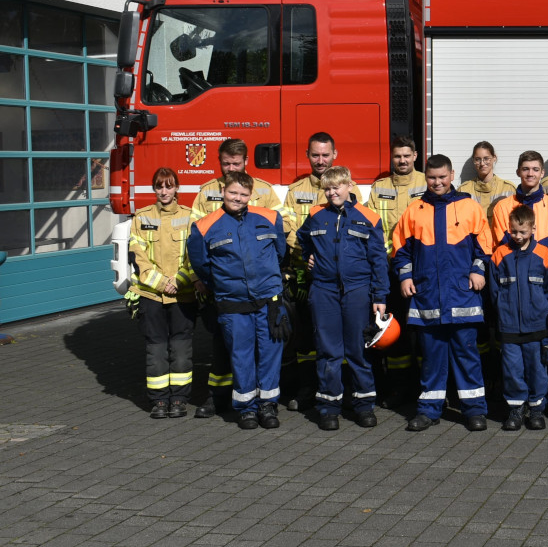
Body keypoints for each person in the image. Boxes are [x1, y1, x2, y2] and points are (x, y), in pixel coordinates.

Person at [392, 154, 494, 432]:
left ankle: (474, 411)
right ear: (426, 177)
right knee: (431, 361)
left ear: (451, 176)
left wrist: (478, 270)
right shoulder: (415, 209)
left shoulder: (469, 207)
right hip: (428, 298)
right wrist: (405, 276)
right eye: (432, 177)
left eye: (442, 177)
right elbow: (400, 249)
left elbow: (485, 245)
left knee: (467, 357)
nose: (437, 182)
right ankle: (428, 410)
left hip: (462, 297)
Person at [187, 171, 289, 430]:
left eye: (244, 194)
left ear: (250, 195)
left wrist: (268, 281)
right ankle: (246, 409)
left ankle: (268, 406)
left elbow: (280, 252)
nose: (238, 198)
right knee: (241, 356)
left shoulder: (270, 217)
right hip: (232, 303)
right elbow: (201, 265)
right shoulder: (204, 226)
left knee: (270, 354)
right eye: (233, 193)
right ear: (223, 191)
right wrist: (222, 285)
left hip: (269, 301)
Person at [297, 166, 388, 431]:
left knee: (358, 350)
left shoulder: (368, 217)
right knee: (328, 351)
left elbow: (378, 260)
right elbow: (303, 240)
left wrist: (379, 295)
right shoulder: (316, 215)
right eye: (327, 188)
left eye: (336, 187)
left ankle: (364, 405)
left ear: (349, 185)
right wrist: (308, 258)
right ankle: (329, 407)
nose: (332, 192)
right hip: (323, 290)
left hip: (358, 290)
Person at [491, 150, 548, 417]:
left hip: (545, 282)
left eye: (535, 169)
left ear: (542, 173)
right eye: (525, 169)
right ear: (518, 172)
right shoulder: (504, 207)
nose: (530, 174)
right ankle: (522, 403)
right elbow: (503, 246)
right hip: (515, 286)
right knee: (520, 355)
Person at [127, 167, 196, 419]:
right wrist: (161, 284)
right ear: (153, 188)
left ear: (177, 187)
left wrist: (177, 281)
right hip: (152, 296)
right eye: (159, 186)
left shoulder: (190, 217)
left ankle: (179, 399)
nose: (164, 191)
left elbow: (195, 256)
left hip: (183, 294)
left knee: (180, 350)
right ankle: (158, 401)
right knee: (156, 350)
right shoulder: (141, 217)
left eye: (169, 186)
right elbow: (138, 258)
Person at [488, 204, 548, 432]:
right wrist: (503, 311)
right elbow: (494, 289)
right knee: (512, 370)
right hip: (508, 327)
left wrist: (541, 312)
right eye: (513, 232)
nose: (517, 236)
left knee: (537, 369)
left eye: (523, 232)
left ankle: (536, 409)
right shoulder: (500, 254)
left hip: (536, 325)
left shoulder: (543, 255)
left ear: (533, 229)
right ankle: (515, 409)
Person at [366, 136, 424, 401]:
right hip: (389, 270)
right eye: (397, 156)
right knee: (396, 330)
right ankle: (400, 388)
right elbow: (369, 227)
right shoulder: (379, 187)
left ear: (415, 155)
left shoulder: (427, 182)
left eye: (406, 155)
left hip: (422, 270)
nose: (402, 160)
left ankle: (428, 387)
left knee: (422, 331)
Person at [460, 141, 517, 224]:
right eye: (478, 159)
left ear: (494, 158)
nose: (482, 163)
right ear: (473, 161)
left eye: (486, 158)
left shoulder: (508, 189)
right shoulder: (464, 189)